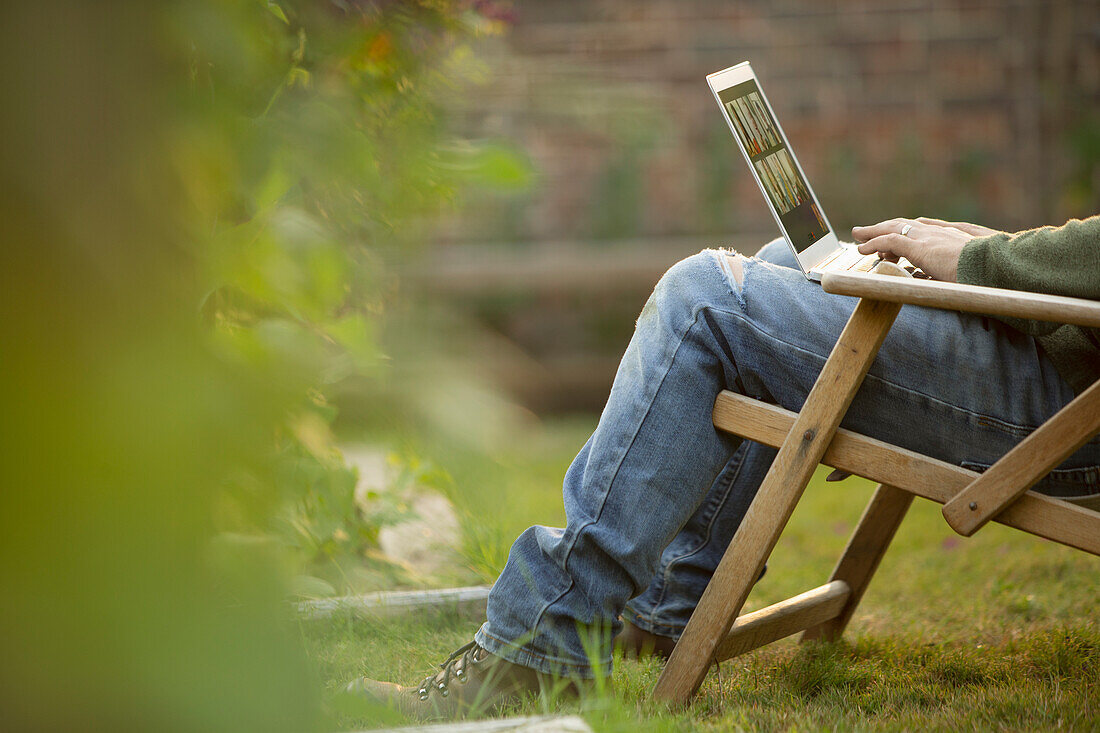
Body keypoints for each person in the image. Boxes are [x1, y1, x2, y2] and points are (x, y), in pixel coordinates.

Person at [347, 216, 1100, 719]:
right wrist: (983, 244)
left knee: (703, 296)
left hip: (1066, 409)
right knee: (779, 263)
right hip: (1065, 355)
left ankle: (542, 643)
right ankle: (667, 616)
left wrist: (980, 260)